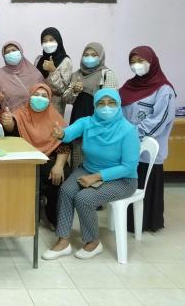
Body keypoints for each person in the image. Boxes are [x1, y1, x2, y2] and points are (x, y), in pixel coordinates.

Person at [43, 89, 139, 260]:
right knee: (66, 191)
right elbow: (68, 133)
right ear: (95, 106)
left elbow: (128, 166)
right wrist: (61, 134)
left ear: (118, 105)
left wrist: (97, 177)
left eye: (111, 103)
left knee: (84, 198)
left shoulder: (128, 130)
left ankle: (93, 242)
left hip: (123, 179)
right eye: (101, 103)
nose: (106, 107)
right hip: (89, 168)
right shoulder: (87, 122)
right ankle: (63, 241)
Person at [120, 46, 176, 233]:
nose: (136, 65)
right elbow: (117, 111)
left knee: (145, 187)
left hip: (147, 150)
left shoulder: (164, 90)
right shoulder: (129, 86)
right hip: (127, 149)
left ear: (152, 62)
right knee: (128, 184)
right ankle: (128, 222)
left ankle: (148, 222)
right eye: (132, 62)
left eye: (140, 61)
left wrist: (132, 136)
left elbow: (160, 119)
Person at [1, 83, 70, 229]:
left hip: (49, 159)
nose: (40, 98)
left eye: (44, 96)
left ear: (49, 99)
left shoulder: (55, 118)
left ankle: (52, 216)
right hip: (26, 160)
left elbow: (64, 144)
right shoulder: (20, 114)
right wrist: (8, 124)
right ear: (30, 97)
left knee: (62, 174)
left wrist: (59, 166)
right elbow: (12, 131)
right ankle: (28, 214)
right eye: (36, 95)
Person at [62, 42, 119, 170]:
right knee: (78, 165)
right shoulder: (76, 75)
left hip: (99, 129)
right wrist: (74, 91)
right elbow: (66, 99)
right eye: (86, 54)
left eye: (94, 55)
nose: (89, 58)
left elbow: (110, 105)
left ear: (101, 57)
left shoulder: (106, 74)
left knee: (96, 166)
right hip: (78, 126)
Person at [0, 41, 43, 120]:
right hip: (5, 119)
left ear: (20, 52)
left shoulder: (35, 74)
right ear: (4, 56)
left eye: (14, 50)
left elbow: (44, 95)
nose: (11, 53)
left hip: (30, 118)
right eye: (7, 52)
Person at [34, 27, 73, 115]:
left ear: (58, 41)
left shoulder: (65, 61)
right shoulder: (38, 59)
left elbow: (62, 91)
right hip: (36, 105)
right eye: (44, 41)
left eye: (51, 40)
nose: (48, 43)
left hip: (54, 110)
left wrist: (53, 71)